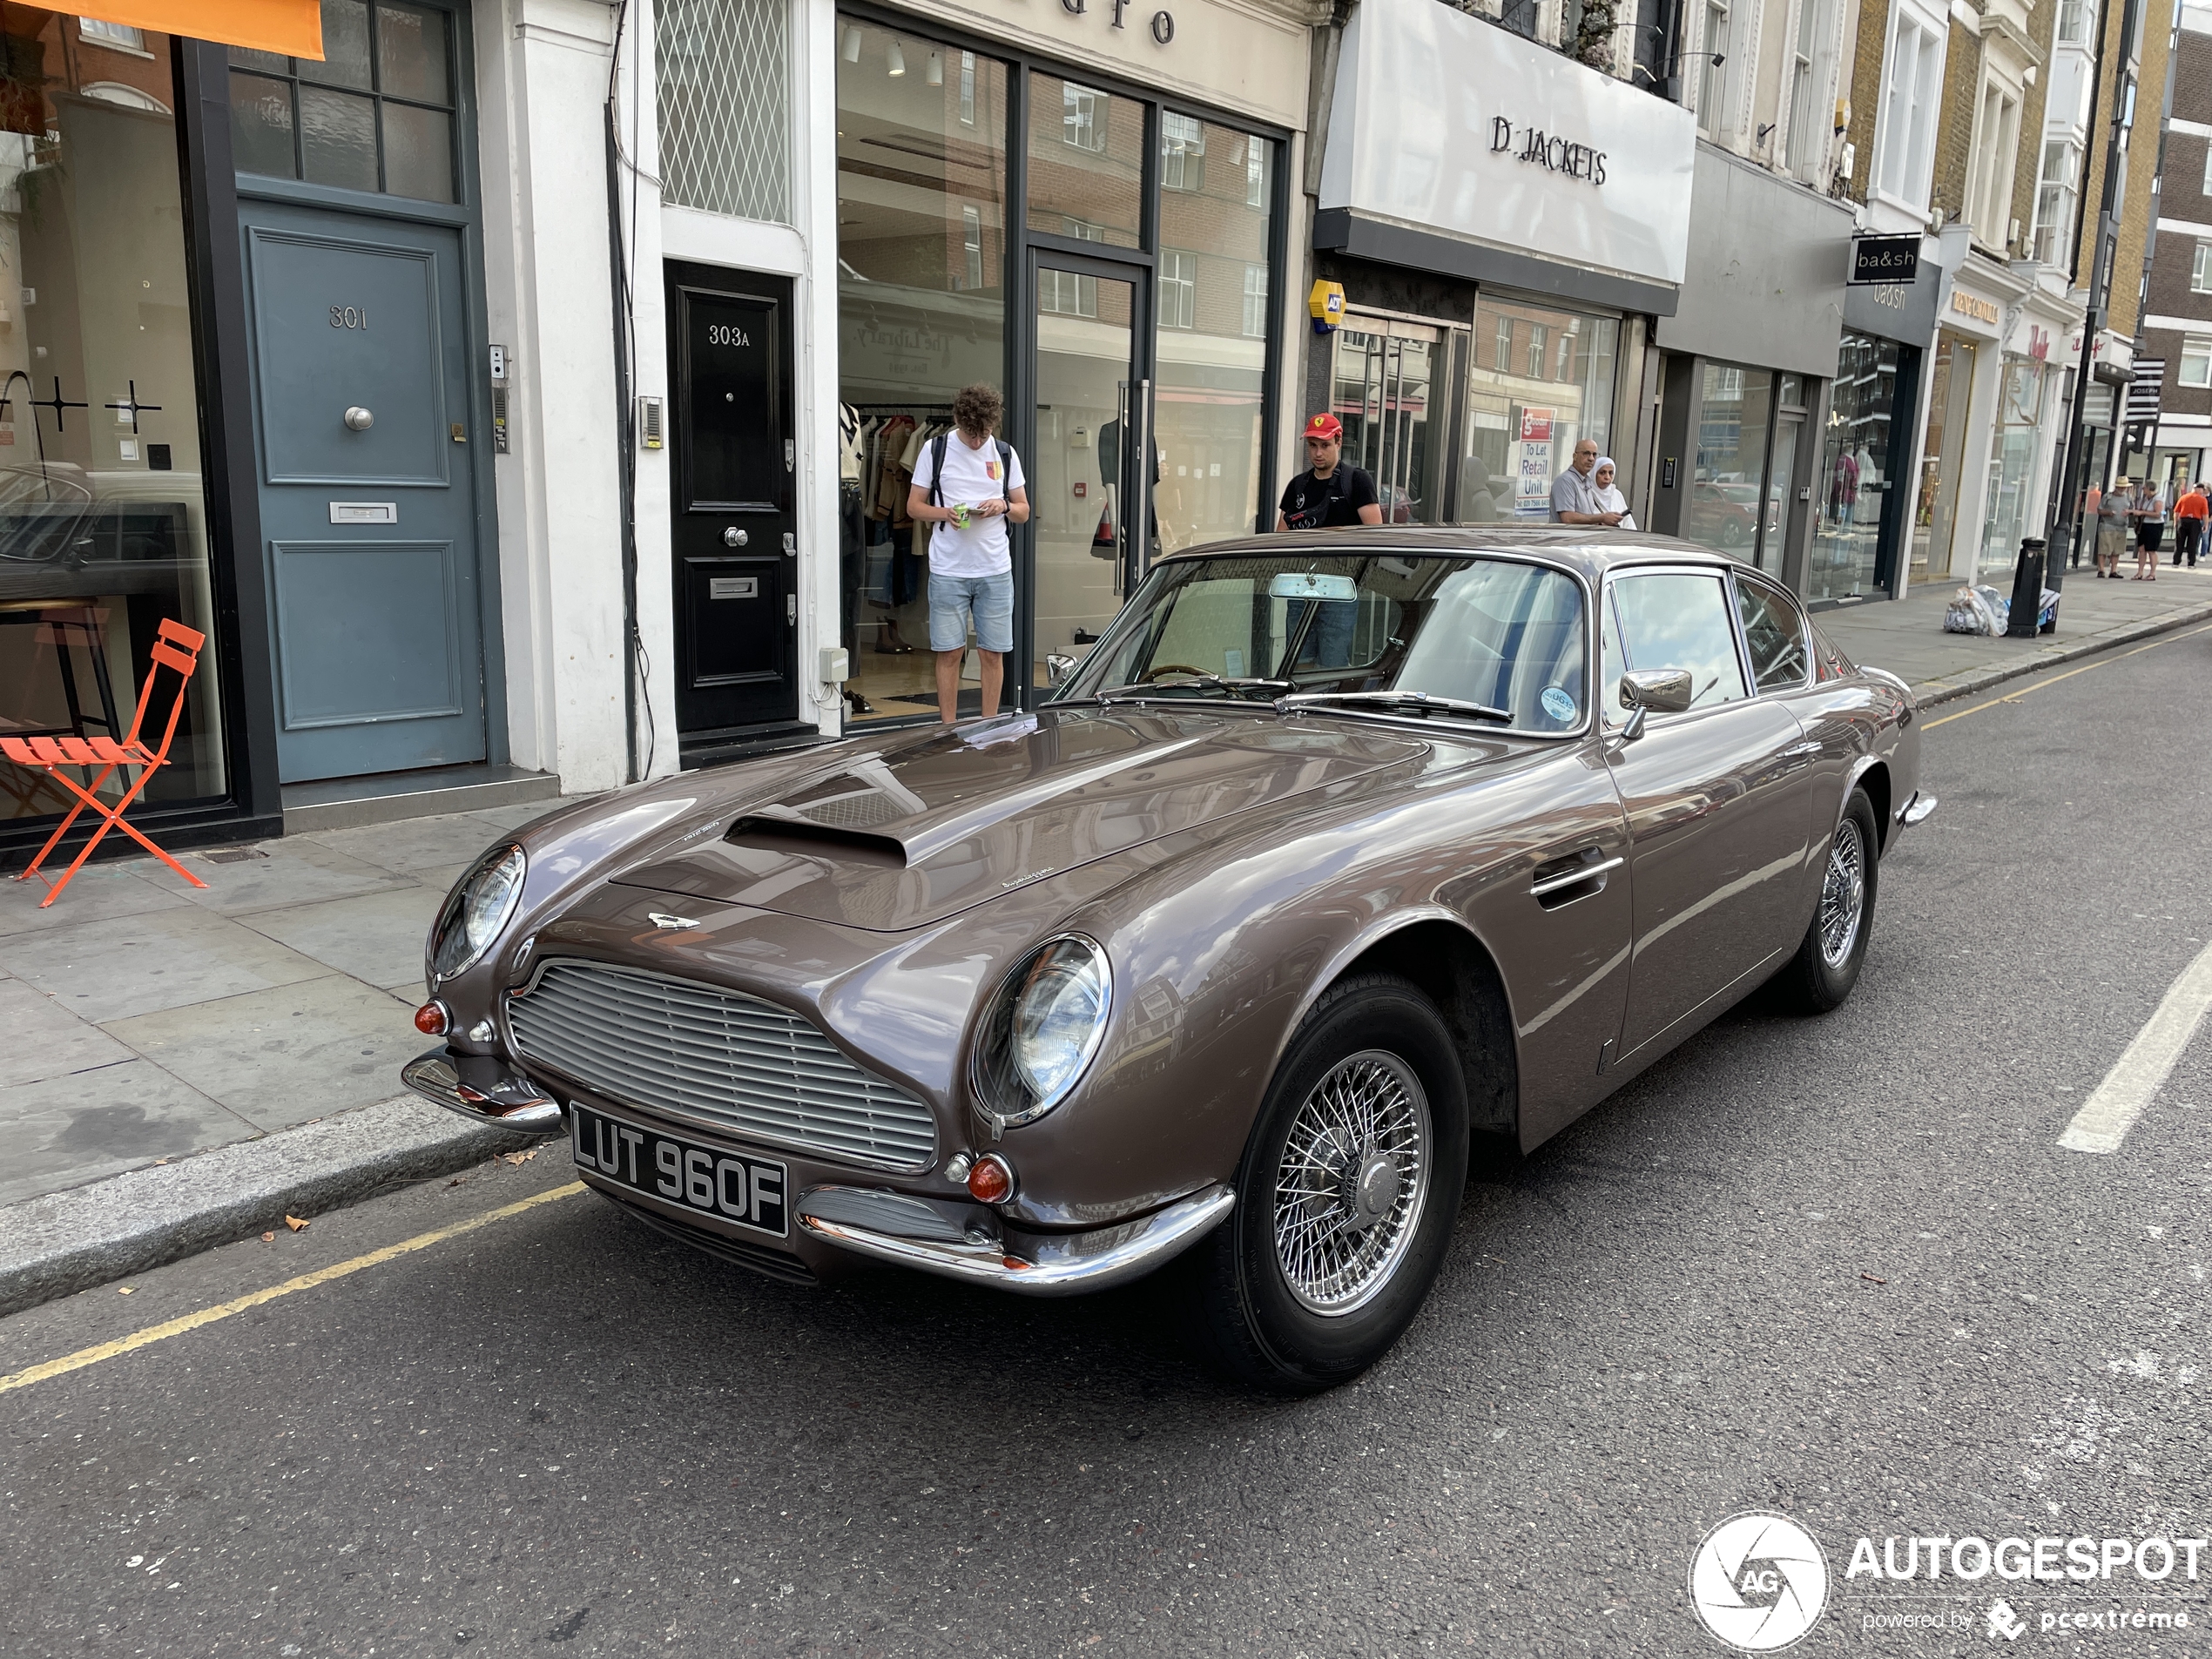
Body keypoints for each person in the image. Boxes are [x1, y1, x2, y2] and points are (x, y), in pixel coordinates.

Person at [907, 382, 1029, 725]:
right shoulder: (936, 449)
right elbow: (914, 507)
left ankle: (988, 727)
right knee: (950, 653)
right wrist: (945, 513)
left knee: (993, 653)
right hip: (949, 568)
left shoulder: (1004, 453)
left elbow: (1023, 510)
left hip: (994, 569)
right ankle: (947, 728)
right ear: (959, 420)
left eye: (984, 434)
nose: (978, 441)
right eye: (972, 434)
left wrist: (1003, 504)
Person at [1277, 413, 1382, 529]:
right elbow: (1280, 538)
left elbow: (1374, 534)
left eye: (1325, 445)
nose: (1318, 453)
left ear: (1338, 444)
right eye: (1313, 445)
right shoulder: (1297, 485)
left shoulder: (1357, 480)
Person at [1552, 438, 1622, 526]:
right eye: (1586, 453)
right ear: (1575, 456)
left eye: (1594, 454)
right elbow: (1568, 518)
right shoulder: (1565, 480)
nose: (1591, 459)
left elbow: (1586, 517)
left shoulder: (1587, 482)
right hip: (1567, 538)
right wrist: (1602, 517)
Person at [2130, 477, 2166, 580]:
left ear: (2149, 488)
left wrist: (2142, 513)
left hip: (2154, 526)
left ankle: (2152, 573)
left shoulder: (2158, 499)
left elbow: (2158, 514)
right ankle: (2140, 572)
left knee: (2151, 550)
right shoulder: (2146, 499)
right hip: (2144, 525)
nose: (2143, 490)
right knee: (2142, 549)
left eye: (2144, 488)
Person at [2096, 479, 2128, 577]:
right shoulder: (2108, 497)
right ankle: (2101, 570)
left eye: (2124, 487)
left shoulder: (2128, 497)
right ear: (2116, 487)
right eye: (2120, 487)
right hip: (2107, 526)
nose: (2122, 489)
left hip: (2121, 527)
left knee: (2117, 550)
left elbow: (2132, 509)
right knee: (2104, 549)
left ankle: (2113, 570)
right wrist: (2108, 513)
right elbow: (2099, 510)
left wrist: (2129, 512)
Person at [1591, 458, 1635, 529]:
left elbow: (1628, 523)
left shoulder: (1616, 494)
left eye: (1611, 473)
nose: (1607, 477)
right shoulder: (1586, 493)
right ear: (1594, 473)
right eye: (1602, 473)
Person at [2175, 479, 2208, 569]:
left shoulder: (2183, 497)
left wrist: (2176, 522)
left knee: (2179, 542)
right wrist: (2206, 525)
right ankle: (2191, 563)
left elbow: (2177, 511)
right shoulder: (2202, 500)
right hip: (2195, 521)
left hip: (2183, 520)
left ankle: (2176, 562)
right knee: (2192, 542)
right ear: (2199, 489)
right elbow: (2205, 514)